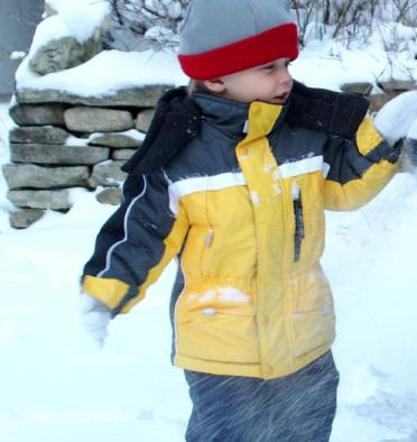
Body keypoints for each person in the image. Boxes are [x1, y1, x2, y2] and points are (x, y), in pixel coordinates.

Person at [78, 0, 400, 440]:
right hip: (223, 350)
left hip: (305, 336)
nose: (285, 76)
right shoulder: (180, 153)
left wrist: (386, 143)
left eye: (286, 62)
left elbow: (342, 187)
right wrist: (105, 292)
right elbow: (143, 234)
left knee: (305, 431)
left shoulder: (301, 133)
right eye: (268, 67)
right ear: (216, 77)